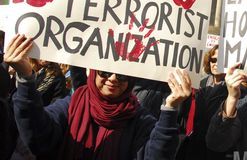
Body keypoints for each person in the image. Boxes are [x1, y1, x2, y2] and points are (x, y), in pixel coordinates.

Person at [5, 34, 192, 159]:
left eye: (122, 75)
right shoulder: (72, 104)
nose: (113, 79)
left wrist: (170, 109)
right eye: (104, 72)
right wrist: (26, 79)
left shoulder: (140, 119)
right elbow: (38, 136)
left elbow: (157, 156)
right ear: (93, 72)